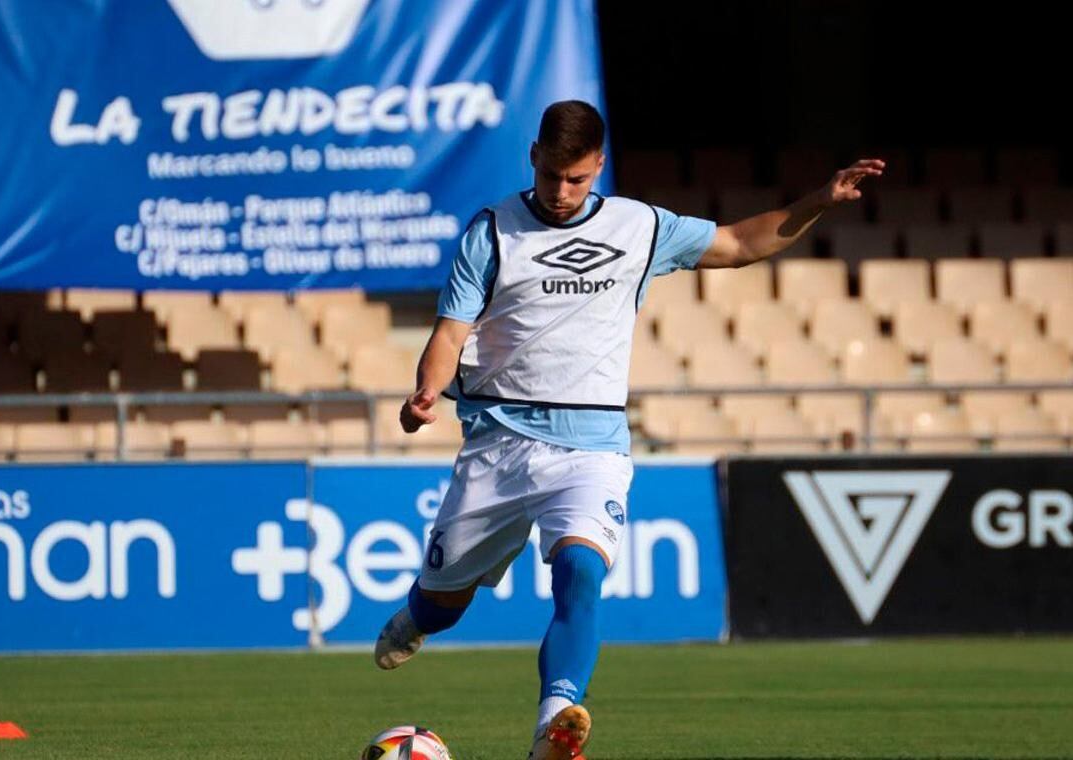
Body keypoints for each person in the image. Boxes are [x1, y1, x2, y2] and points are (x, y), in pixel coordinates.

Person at [373, 99, 882, 760]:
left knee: (580, 572)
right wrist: (426, 391)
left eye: (577, 179)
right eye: (553, 175)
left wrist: (818, 198)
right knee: (444, 604)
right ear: (533, 157)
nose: (562, 191)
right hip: (498, 439)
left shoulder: (638, 225)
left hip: (592, 445)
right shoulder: (492, 231)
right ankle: (417, 616)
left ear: (599, 167)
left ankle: (553, 725)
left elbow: (737, 243)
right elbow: (450, 330)